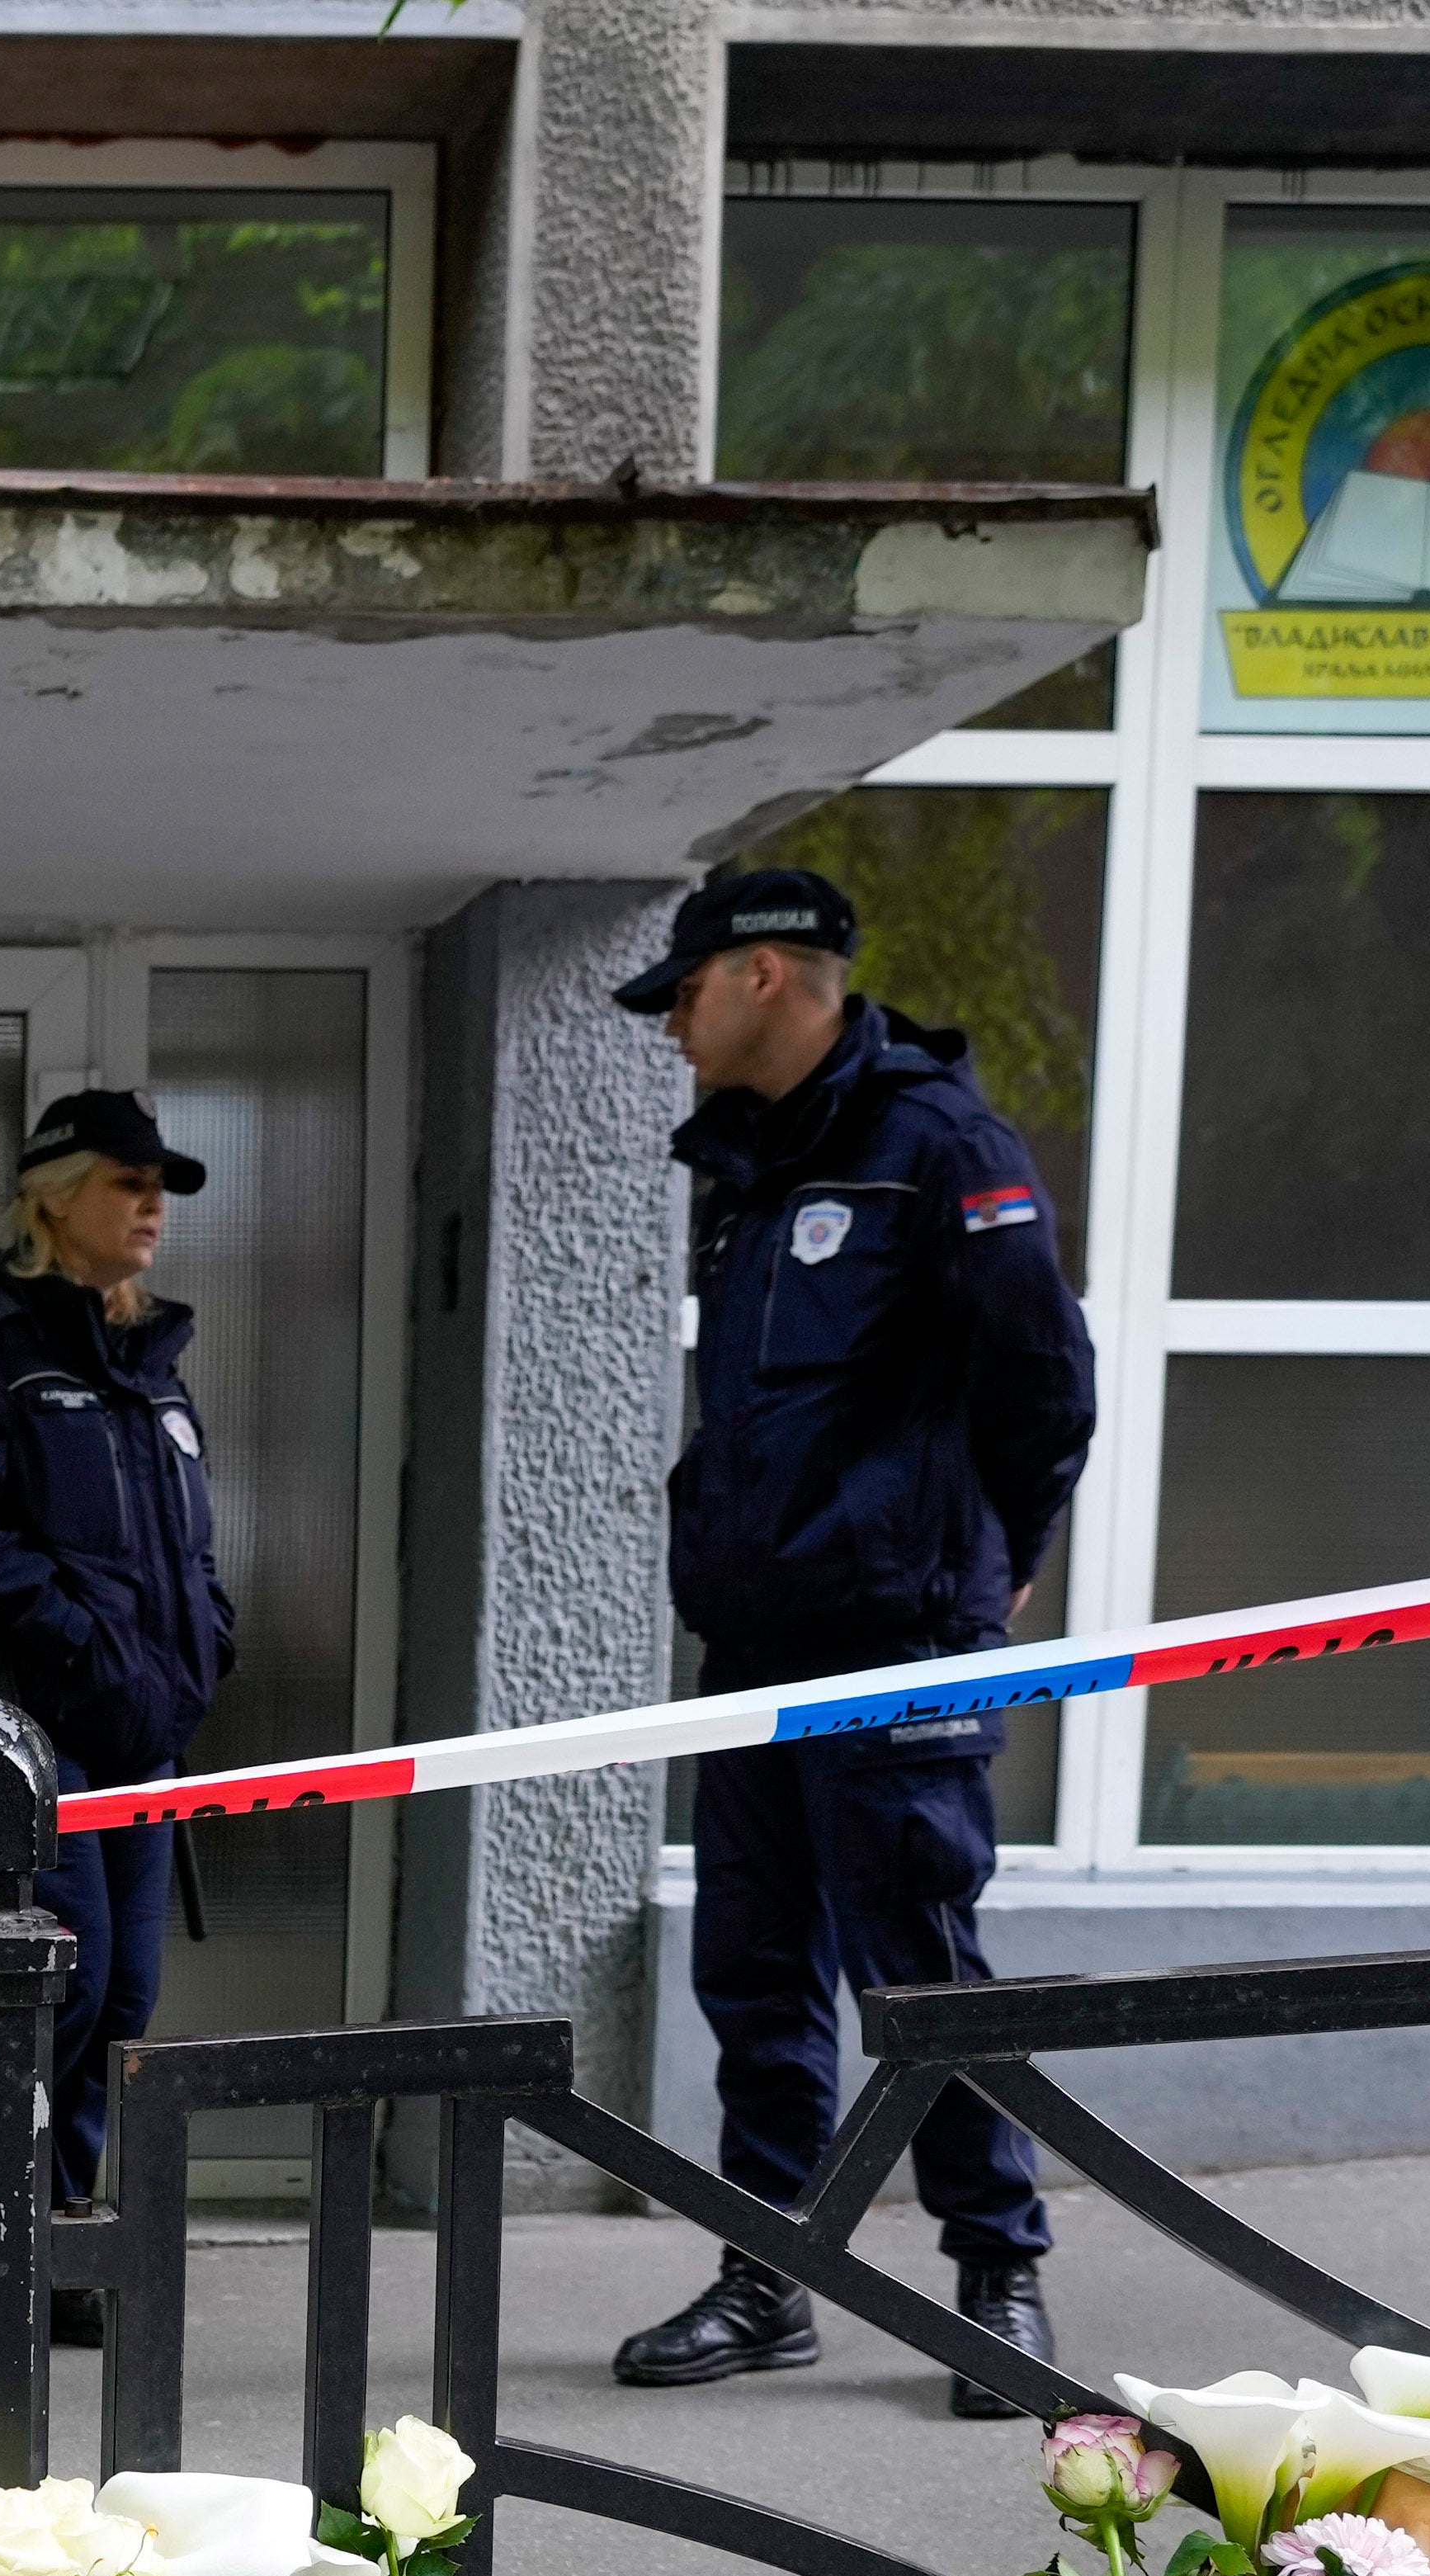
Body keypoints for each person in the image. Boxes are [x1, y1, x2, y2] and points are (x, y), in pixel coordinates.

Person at [603, 868, 1097, 2409]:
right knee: (756, 1974)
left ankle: (997, 2278)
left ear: (764, 975)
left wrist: (989, 1570)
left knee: (921, 1968)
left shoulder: (938, 1146)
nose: (672, 1022)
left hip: (897, 1640)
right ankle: (773, 2275)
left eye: (685, 989)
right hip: (757, 1646)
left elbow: (1045, 1383)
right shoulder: (753, 1167)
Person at [0, 1090, 236, 2247]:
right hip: (42, 1727)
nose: (151, 1208)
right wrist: (82, 1643)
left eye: (161, 1191)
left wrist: (205, 1637)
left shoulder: (149, 1356)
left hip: (145, 1728)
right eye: (129, 1184)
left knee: (124, 1998)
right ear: (58, 1193)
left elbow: (183, 1546)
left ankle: (56, 2233)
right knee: (59, 1987)